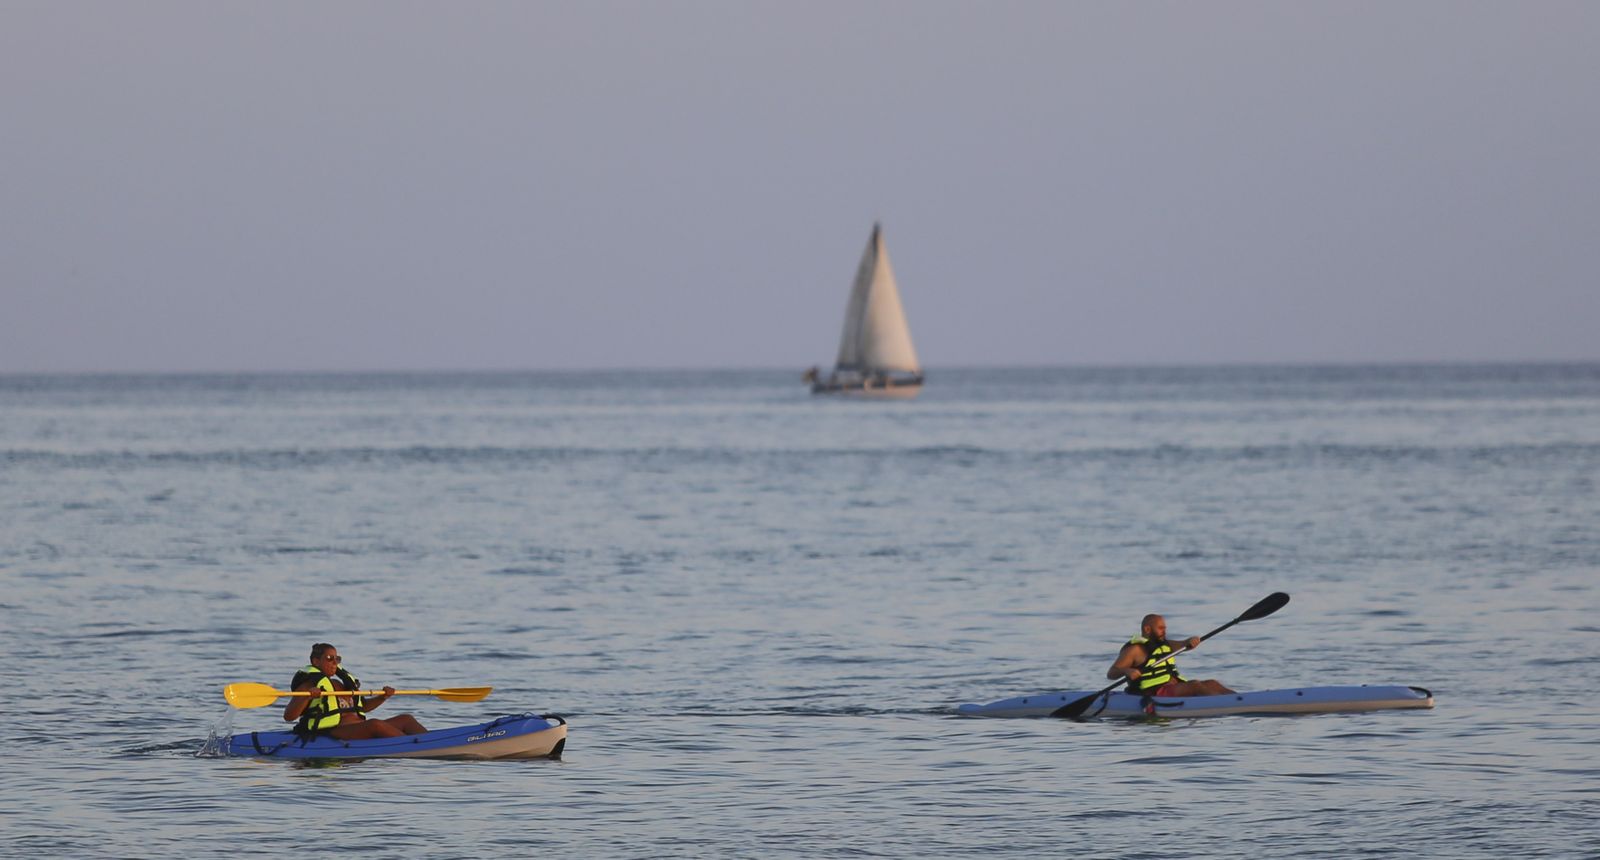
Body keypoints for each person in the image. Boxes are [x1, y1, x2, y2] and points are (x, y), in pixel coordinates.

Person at [283, 643, 428, 739]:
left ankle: (430, 741)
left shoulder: (341, 683)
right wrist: (307, 697)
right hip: (332, 731)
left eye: (337, 659)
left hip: (357, 727)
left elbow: (362, 707)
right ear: (315, 661)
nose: (335, 663)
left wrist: (382, 697)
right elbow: (289, 716)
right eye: (329, 658)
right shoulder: (309, 685)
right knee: (375, 724)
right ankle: (415, 745)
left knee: (406, 719)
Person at [1107, 614, 1235, 698]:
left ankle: (1239, 699)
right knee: (1195, 685)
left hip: (1171, 687)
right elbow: (1112, 673)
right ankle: (1223, 703)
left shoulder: (1165, 644)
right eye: (1161, 628)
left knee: (1213, 683)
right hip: (1153, 692)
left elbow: (1184, 644)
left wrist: (1191, 641)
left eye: (1165, 628)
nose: (1165, 631)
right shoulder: (1134, 649)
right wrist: (1127, 670)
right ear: (1147, 629)